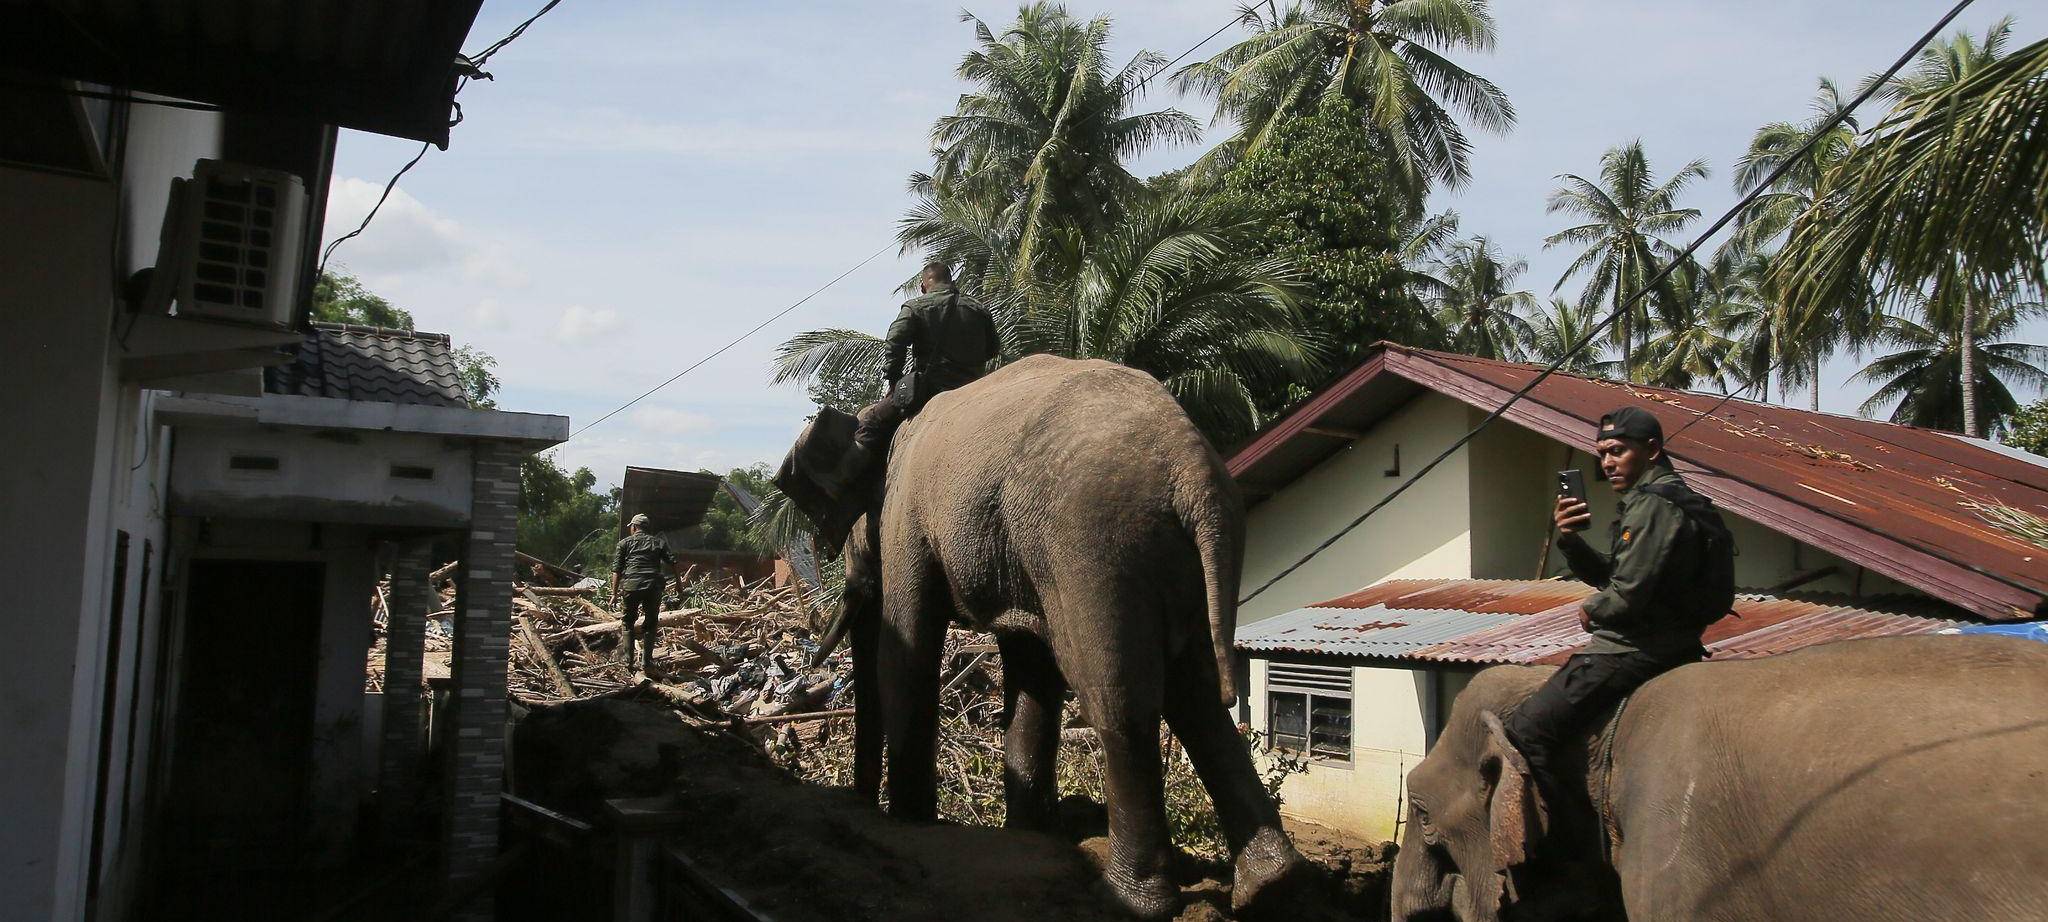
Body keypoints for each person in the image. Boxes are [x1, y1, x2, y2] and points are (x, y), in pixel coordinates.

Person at [1505, 406, 1725, 803]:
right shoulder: (1661, 499)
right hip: (1669, 642)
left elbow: (1626, 595)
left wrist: (1590, 609)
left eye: (1618, 451)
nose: (1607, 463)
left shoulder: (1653, 505)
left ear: (1651, 450)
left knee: (1526, 731)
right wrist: (1570, 540)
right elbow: (1619, 576)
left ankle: (1567, 834)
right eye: (1602, 454)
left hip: (1633, 650)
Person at [825, 262, 1000, 496]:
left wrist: (894, 381)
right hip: (976, 390)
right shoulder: (978, 309)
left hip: (931, 390)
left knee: (871, 422)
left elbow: (894, 343)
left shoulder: (916, 306)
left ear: (923, 286)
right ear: (951, 281)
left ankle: (838, 489)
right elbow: (993, 349)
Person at [609, 513, 676, 673]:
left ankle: (628, 662)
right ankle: (646, 663)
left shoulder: (624, 543)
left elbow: (617, 570)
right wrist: (679, 586)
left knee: (628, 622)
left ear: (634, 527)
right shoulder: (658, 542)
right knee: (650, 624)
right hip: (653, 586)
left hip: (631, 586)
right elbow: (673, 563)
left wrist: (614, 594)